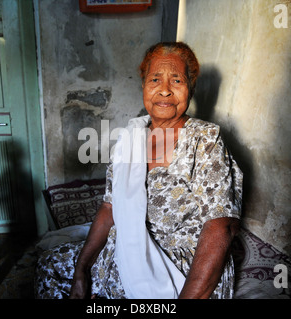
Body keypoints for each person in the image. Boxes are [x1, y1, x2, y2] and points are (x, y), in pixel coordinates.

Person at [35, 42, 243, 299]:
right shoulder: (131, 137)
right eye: (155, 79)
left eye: (176, 80)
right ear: (144, 85)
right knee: (49, 265)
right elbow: (110, 207)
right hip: (128, 247)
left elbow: (221, 226)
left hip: (179, 265)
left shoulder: (205, 139)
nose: (165, 91)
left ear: (191, 88)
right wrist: (82, 269)